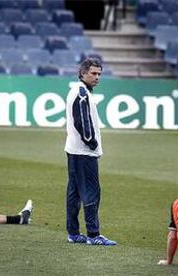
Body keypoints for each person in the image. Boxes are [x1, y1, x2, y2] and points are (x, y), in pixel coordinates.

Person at [64, 57, 116, 246]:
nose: (97, 77)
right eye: (93, 73)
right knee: (91, 192)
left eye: (99, 74)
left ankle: (73, 232)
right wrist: (92, 144)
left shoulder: (78, 91)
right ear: (83, 73)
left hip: (74, 151)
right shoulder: (81, 93)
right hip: (84, 152)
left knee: (75, 192)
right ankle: (93, 235)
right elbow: (83, 123)